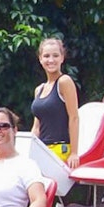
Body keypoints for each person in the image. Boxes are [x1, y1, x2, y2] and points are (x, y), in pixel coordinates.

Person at [31, 36, 82, 169]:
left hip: (60, 148)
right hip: (42, 149)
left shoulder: (64, 82)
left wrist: (74, 153)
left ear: (62, 58)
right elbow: (36, 127)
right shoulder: (39, 89)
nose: (51, 60)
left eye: (55, 55)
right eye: (46, 56)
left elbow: (74, 117)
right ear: (40, 59)